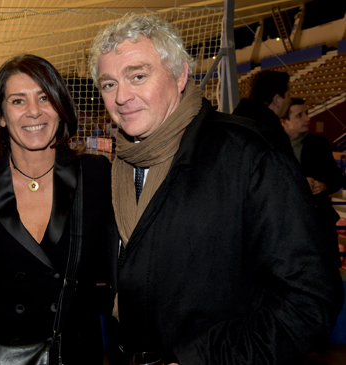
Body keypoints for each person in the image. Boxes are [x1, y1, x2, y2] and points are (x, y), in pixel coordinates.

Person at [89, 13, 344, 364]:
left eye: (138, 76)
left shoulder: (249, 154)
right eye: (109, 84)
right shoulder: (120, 168)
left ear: (180, 75)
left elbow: (308, 300)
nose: (122, 97)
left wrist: (199, 359)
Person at [0, 54, 112, 364]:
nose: (34, 111)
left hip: (73, 353)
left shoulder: (96, 175)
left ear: (61, 107)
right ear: (0, 115)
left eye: (44, 98)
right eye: (17, 101)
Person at [281, 98, 345, 266]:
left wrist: (323, 185)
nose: (307, 118)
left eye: (307, 113)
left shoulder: (319, 143)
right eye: (300, 115)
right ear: (284, 122)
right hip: (288, 227)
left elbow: (337, 179)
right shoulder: (274, 147)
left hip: (320, 225)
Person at [233, 70, 292, 152]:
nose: (290, 101)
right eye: (288, 95)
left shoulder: (234, 122)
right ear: (277, 99)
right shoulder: (274, 135)